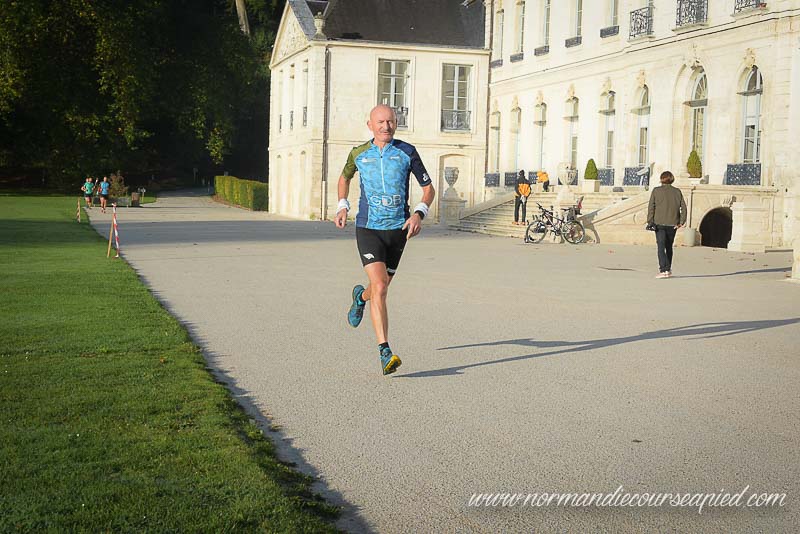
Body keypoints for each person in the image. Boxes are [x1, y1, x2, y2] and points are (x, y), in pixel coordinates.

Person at [334, 104, 435, 375]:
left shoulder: (407, 152)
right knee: (380, 286)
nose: (385, 126)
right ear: (370, 125)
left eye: (390, 121)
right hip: (368, 227)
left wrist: (419, 214)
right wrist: (342, 205)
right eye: (380, 122)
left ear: (396, 123)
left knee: (379, 287)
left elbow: (428, 189)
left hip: (399, 230)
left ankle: (360, 297)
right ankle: (385, 351)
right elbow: (344, 178)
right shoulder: (358, 153)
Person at [647, 170, 687, 278]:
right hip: (673, 223)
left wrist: (650, 221)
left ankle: (663, 270)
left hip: (659, 223)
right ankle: (668, 270)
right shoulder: (677, 191)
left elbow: (651, 207)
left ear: (661, 179)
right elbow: (683, 208)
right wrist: (681, 222)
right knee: (669, 247)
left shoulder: (656, 190)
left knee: (661, 246)